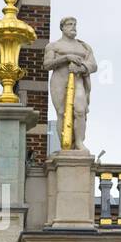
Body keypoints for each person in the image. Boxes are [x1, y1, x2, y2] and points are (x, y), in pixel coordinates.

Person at [43, 17, 98, 152]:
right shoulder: (54, 46)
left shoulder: (84, 46)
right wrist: (66, 58)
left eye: (74, 24)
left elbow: (93, 65)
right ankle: (65, 144)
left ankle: (79, 142)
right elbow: (47, 65)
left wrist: (82, 68)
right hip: (59, 81)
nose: (73, 27)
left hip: (78, 80)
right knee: (62, 113)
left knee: (80, 110)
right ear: (62, 27)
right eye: (69, 24)